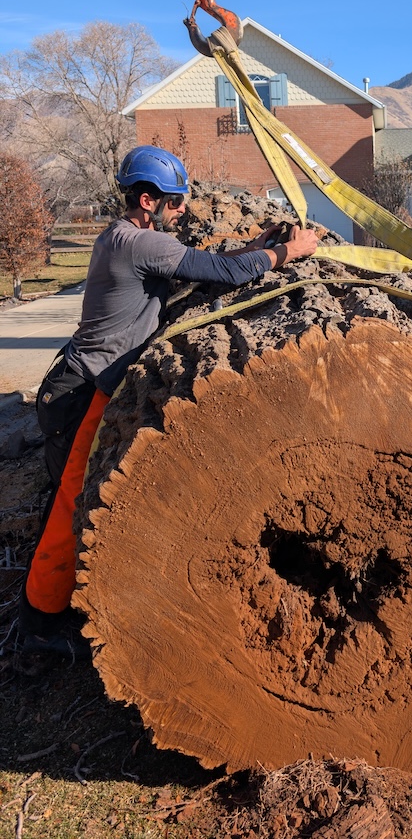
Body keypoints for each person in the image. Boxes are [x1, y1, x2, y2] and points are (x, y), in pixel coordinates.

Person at [20, 145, 318, 659]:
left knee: (67, 498)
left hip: (76, 381)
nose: (182, 210)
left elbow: (204, 268)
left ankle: (48, 603)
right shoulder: (139, 242)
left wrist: (259, 245)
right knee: (68, 505)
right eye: (175, 202)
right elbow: (218, 275)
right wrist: (289, 252)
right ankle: (40, 629)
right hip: (84, 390)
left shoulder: (128, 237)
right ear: (146, 199)